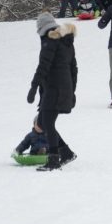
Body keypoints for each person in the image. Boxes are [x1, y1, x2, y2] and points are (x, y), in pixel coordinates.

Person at [26, 13, 78, 171]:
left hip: (55, 88)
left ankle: (54, 159)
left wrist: (33, 87)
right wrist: (72, 90)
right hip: (62, 87)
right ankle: (66, 152)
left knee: (47, 123)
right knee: (42, 122)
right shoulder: (66, 42)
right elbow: (73, 69)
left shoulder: (50, 41)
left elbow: (43, 66)